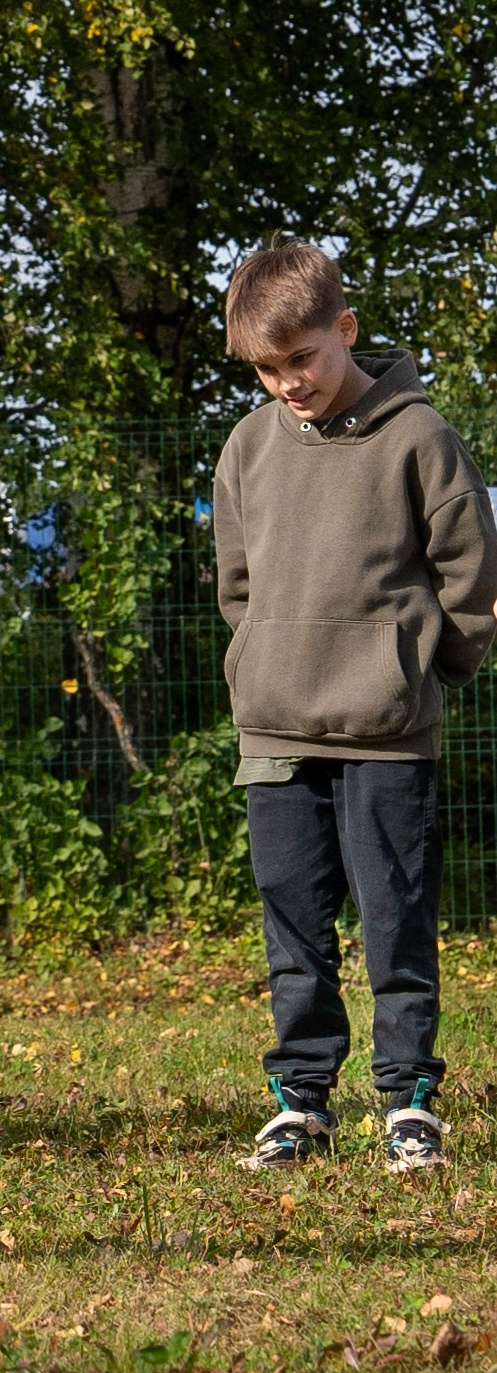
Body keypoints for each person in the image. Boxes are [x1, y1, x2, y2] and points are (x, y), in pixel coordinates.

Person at [212, 239, 497, 1172]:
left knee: (394, 917)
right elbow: (235, 584)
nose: (287, 382)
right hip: (276, 726)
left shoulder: (420, 438)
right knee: (291, 917)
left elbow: (471, 577)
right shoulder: (247, 446)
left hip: (389, 732)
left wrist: (424, 671)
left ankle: (407, 1096)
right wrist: (259, 662)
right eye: (265, 367)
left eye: (302, 357)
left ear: (345, 329)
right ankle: (299, 1099)